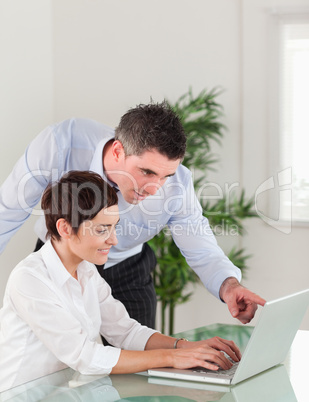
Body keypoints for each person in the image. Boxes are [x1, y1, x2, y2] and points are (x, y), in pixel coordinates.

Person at [0, 101, 265, 328]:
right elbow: (7, 212)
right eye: (147, 172)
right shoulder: (61, 144)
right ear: (117, 151)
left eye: (166, 175)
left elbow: (200, 246)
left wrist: (229, 286)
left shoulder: (177, 186)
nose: (154, 188)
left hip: (127, 271)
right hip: (59, 263)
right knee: (50, 370)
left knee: (138, 372)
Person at [0, 171, 241, 392]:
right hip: (23, 395)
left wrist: (184, 347)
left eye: (114, 227)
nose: (113, 240)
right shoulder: (30, 279)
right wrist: (171, 357)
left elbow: (125, 331)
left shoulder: (86, 270)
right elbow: (86, 356)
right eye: (102, 229)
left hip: (69, 392)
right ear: (64, 228)